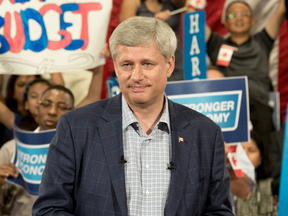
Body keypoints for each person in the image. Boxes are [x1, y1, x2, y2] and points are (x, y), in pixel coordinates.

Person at [32, 16, 233, 215]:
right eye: (127, 64)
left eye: (147, 64)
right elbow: (49, 209)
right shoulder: (75, 126)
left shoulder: (206, 132)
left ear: (169, 65)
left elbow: (219, 211)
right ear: (116, 68)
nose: (136, 76)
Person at [191, 0, 286, 168]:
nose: (239, 18)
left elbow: (279, 11)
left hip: (258, 106)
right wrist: (192, 6)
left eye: (244, 14)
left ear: (252, 20)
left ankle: (265, 190)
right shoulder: (217, 45)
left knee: (267, 149)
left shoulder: (263, 41)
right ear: (225, 22)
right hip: (228, 109)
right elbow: (196, 22)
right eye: (233, 15)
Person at [0, 85, 74, 216]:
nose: (52, 111)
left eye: (62, 107)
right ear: (37, 109)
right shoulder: (11, 149)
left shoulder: (81, 153)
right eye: (46, 104)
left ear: (73, 113)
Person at [120, 0, 189, 81]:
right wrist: (153, 23)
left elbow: (190, 7)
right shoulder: (133, 2)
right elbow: (126, 30)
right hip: (147, 65)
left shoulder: (173, 2)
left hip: (175, 62)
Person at [234, 130, 277, 216]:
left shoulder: (272, 186)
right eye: (241, 150)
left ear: (261, 157)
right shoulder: (224, 187)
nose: (244, 155)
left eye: (251, 150)